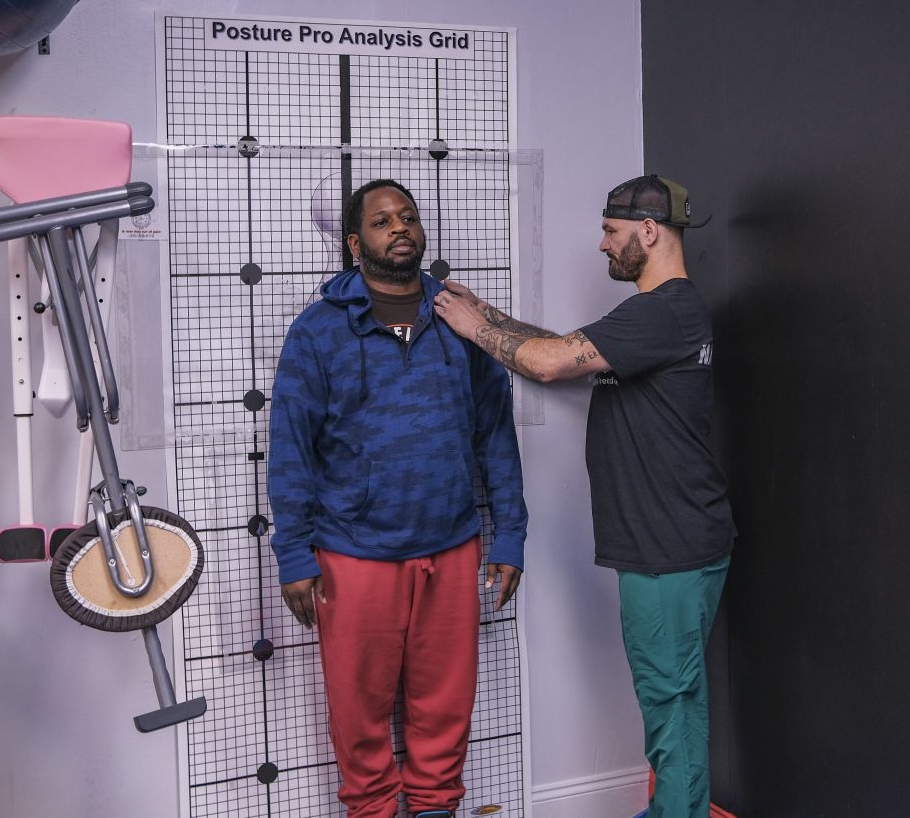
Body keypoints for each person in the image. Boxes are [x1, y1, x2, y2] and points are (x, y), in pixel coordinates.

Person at [433, 174, 735, 818]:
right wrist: (484, 313)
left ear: (648, 231)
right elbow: (563, 348)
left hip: (669, 547)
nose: (601, 245)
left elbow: (549, 363)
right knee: (672, 696)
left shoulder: (663, 309)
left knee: (670, 704)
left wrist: (471, 328)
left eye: (609, 230)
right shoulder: (661, 317)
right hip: (674, 540)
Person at [267, 179, 528, 818]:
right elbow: (291, 445)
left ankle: (437, 808)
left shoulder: (461, 319)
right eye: (382, 221)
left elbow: (496, 433)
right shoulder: (319, 331)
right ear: (357, 244)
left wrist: (512, 535)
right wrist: (293, 555)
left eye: (407, 216)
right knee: (359, 715)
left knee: (444, 705)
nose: (399, 227)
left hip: (452, 543)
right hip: (354, 555)